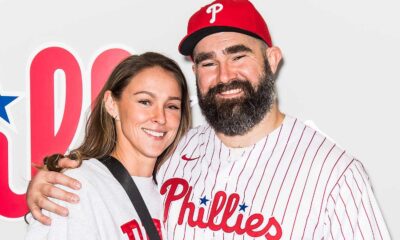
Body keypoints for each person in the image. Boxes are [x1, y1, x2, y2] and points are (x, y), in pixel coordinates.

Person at [26, 0, 391, 239]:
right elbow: (110, 184)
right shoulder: (173, 150)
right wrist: (50, 181)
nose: (224, 74)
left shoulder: (335, 175)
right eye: (208, 62)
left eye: (239, 56)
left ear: (273, 59)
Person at [25, 52, 191, 240]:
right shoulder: (76, 185)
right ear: (112, 104)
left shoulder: (177, 192)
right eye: (145, 102)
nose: (160, 118)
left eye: (172, 106)